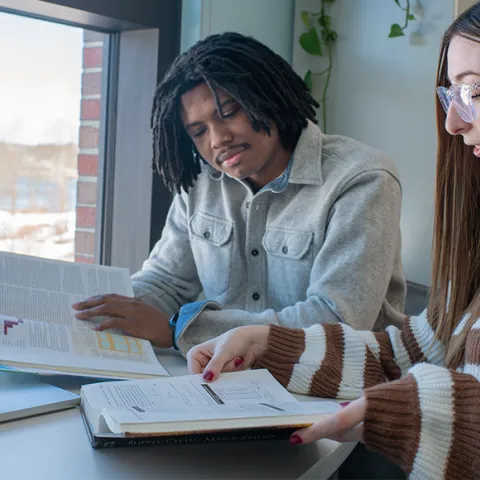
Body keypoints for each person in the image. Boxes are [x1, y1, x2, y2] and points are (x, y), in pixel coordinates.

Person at [186, 6, 480, 479]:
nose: (452, 123)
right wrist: (268, 344)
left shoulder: (360, 176)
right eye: (453, 95)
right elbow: (409, 352)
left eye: (476, 90)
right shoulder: (199, 187)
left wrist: (179, 324)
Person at [72, 32, 405, 353]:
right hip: (229, 380)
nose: (218, 139)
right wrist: (98, 314)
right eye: (199, 131)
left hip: (339, 389)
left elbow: (337, 320)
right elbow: (165, 280)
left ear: (266, 98)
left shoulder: (362, 178)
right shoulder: (201, 184)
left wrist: (179, 331)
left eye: (229, 113)